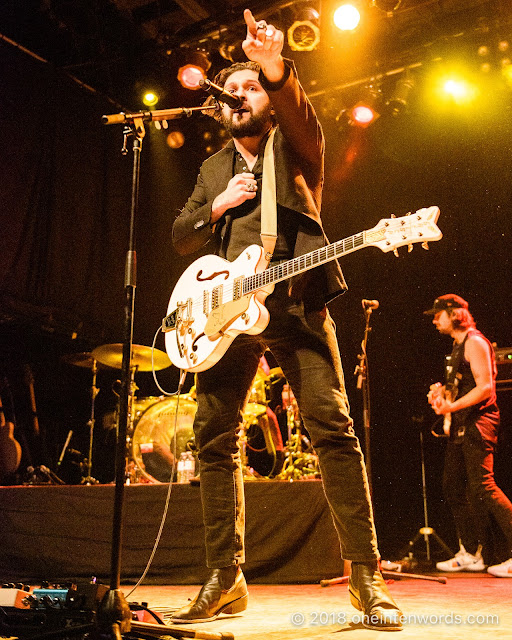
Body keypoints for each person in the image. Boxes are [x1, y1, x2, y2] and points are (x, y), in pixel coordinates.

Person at [170, 9, 402, 629]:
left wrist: (272, 65)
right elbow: (179, 234)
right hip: (225, 317)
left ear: (269, 99)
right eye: (232, 90)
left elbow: (297, 110)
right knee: (213, 439)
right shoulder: (213, 168)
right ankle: (225, 576)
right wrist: (213, 207)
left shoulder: (296, 142)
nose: (237, 96)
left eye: (250, 87)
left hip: (296, 303)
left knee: (332, 429)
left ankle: (366, 576)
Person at [426, 294, 512, 577]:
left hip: (480, 422)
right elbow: (462, 388)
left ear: (454, 314)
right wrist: (442, 397)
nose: (436, 321)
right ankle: (473, 551)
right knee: (453, 487)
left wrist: (452, 405)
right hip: (463, 424)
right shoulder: (457, 345)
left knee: (484, 487)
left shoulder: (474, 341)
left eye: (439, 315)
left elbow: (485, 388)